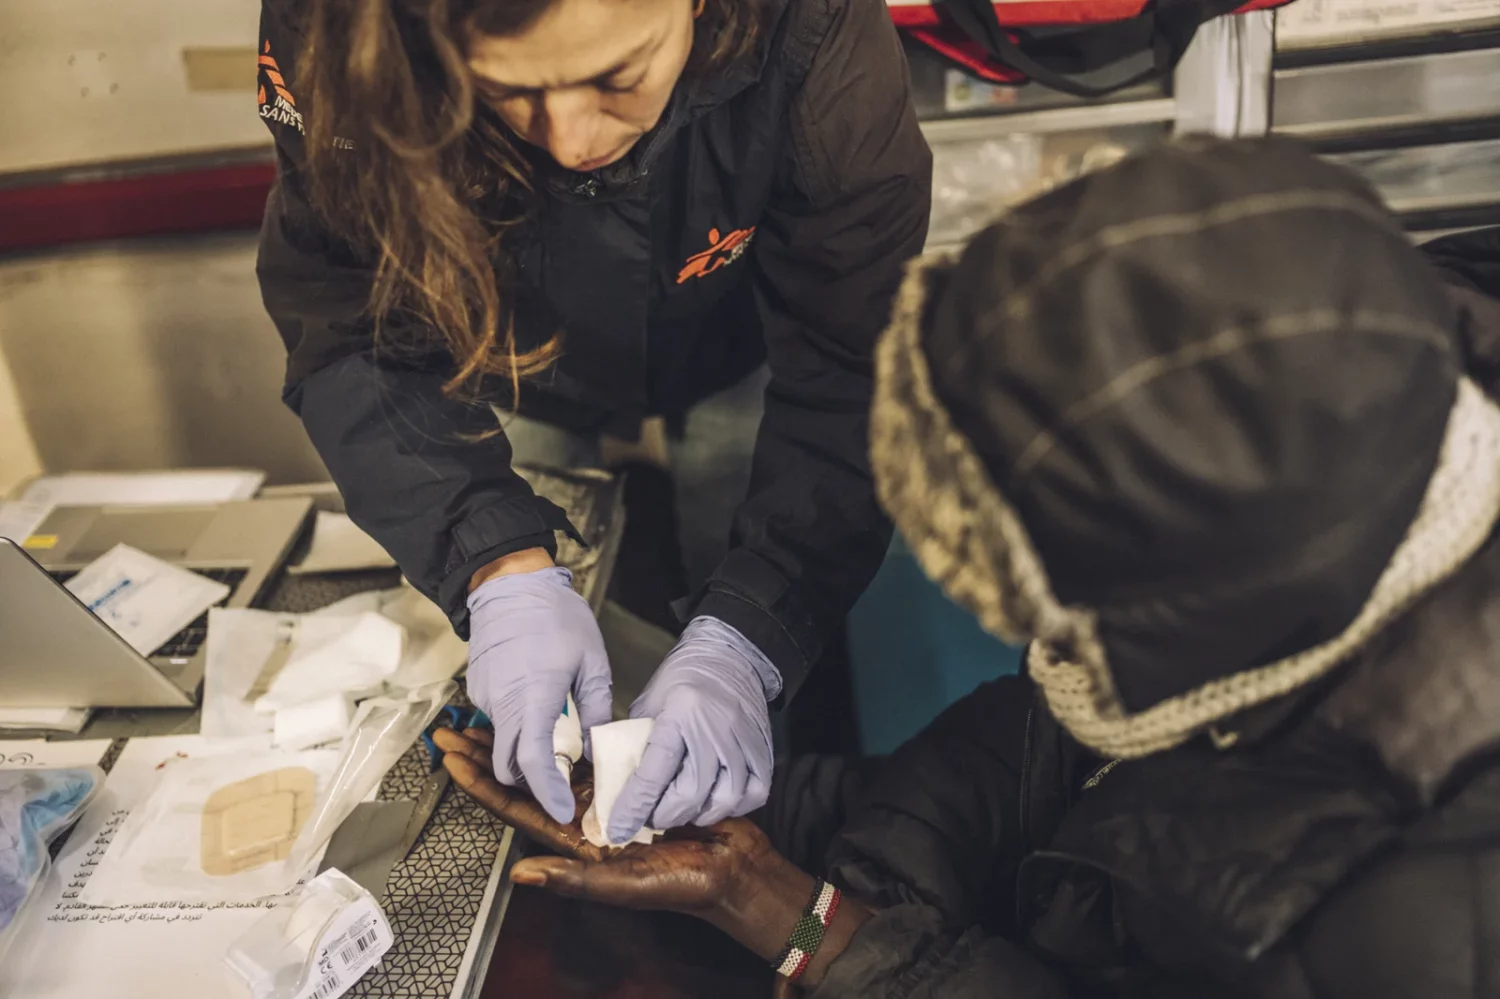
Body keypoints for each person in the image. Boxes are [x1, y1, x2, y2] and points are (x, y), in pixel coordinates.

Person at [436, 137, 1500, 997]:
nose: (1050, 653)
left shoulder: (1423, 925)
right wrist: (758, 815)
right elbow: (1058, 756)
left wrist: (816, 929)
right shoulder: (1366, 380)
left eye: (1064, 624)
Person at [254, 0, 931, 841]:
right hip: (504, 350)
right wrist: (493, 562)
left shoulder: (815, 28)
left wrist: (752, 636)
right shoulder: (338, 30)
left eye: (619, 75)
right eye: (508, 90)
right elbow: (347, 322)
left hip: (736, 326)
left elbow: (852, 361)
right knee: (537, 676)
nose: (572, 140)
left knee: (757, 651)